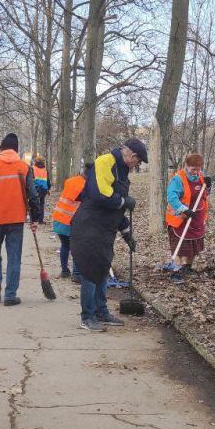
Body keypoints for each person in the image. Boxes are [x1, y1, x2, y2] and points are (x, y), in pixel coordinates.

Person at [70, 138, 147, 332]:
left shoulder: (122, 170)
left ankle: (101, 312)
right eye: (138, 162)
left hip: (105, 229)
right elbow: (100, 195)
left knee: (103, 269)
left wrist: (127, 232)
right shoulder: (106, 162)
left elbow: (116, 210)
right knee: (90, 272)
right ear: (132, 156)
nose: (136, 166)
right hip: (89, 225)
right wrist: (123, 201)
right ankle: (87, 317)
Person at [0, 133, 39, 306]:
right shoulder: (24, 167)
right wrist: (35, 218)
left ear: (1, 149)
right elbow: (33, 195)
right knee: (14, 257)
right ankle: (10, 295)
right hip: (16, 219)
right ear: (16, 150)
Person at [166, 153, 209, 284]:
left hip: (196, 218)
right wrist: (184, 209)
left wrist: (208, 186)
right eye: (193, 169)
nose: (196, 172)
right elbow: (171, 197)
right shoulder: (178, 179)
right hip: (181, 218)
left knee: (193, 246)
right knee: (179, 246)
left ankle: (188, 267)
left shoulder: (200, 177)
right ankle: (176, 271)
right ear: (186, 166)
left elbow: (203, 194)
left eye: (198, 169)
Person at [51, 167, 87, 278]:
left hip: (58, 218)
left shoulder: (70, 181)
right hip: (71, 221)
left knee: (65, 245)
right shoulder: (86, 186)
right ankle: (76, 274)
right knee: (77, 247)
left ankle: (65, 271)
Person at [32, 154, 50, 224]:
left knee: (34, 203)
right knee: (42, 204)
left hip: (35, 188)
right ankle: (40, 220)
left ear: (36, 161)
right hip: (44, 189)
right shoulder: (45, 169)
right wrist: (48, 188)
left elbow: (30, 179)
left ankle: (34, 219)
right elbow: (48, 180)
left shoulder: (32, 168)